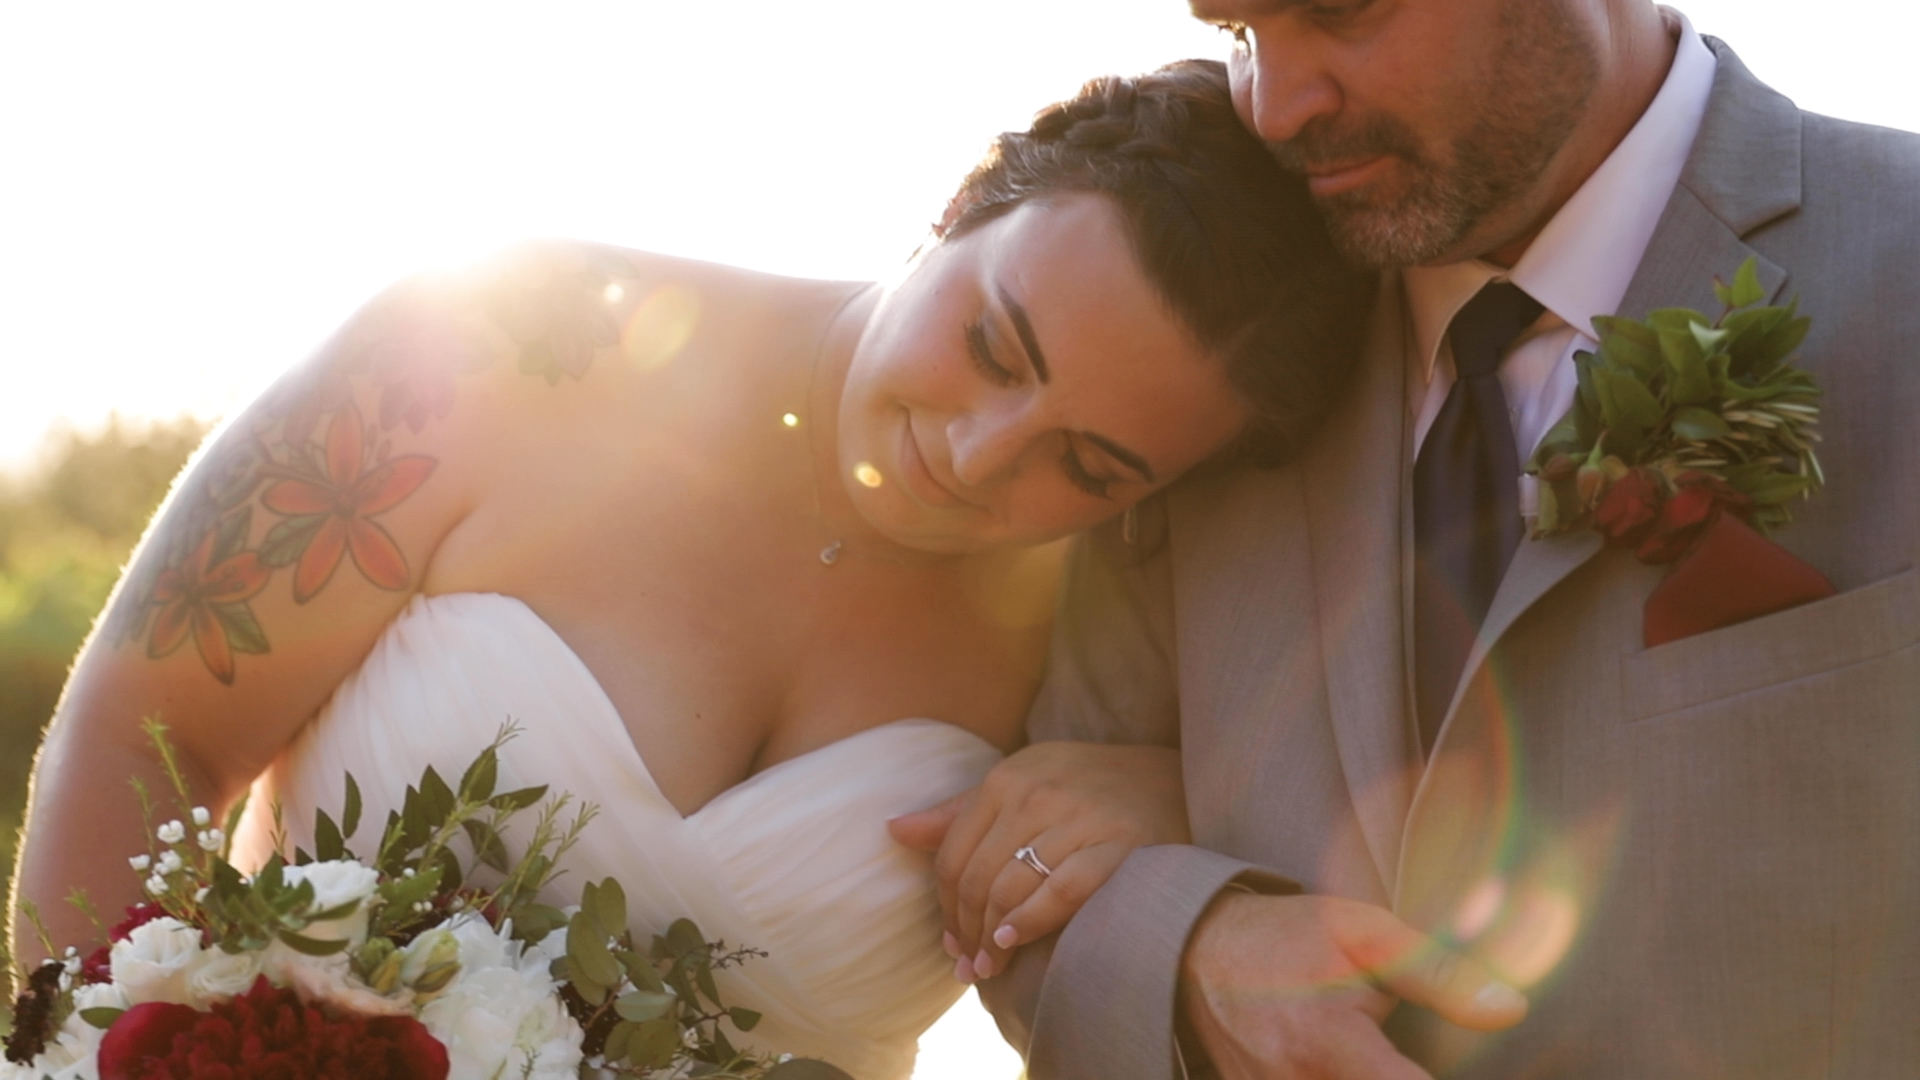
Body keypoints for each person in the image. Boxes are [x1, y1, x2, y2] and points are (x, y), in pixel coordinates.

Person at [8, 61, 1375, 1079]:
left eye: (1089, 467)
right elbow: (152, 729)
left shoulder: (1116, 638)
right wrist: (93, 1056)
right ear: (962, 204)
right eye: (992, 345)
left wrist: (1157, 796)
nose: (977, 454)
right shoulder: (501, 344)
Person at [910, 1, 1920, 1077]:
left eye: (1339, 12)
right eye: (1241, 33)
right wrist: (1193, 948)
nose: (1276, 107)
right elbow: (1023, 884)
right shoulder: (1209, 352)